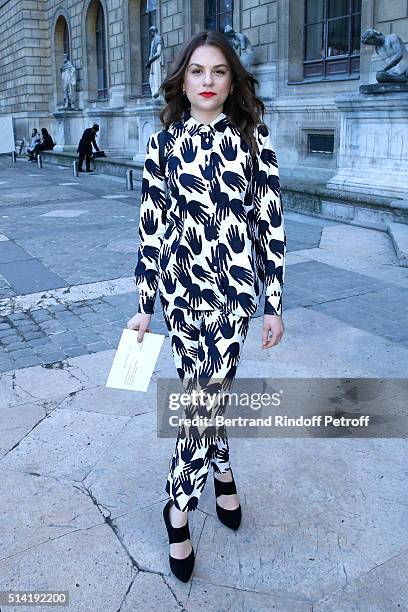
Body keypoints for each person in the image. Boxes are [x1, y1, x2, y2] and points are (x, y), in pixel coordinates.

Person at [127, 30, 286, 583]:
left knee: (202, 403)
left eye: (219, 71)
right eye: (198, 71)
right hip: (180, 295)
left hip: (233, 297)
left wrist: (274, 303)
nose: (208, 82)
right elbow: (153, 229)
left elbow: (270, 223)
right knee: (204, 401)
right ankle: (216, 475)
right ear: (182, 79)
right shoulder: (161, 144)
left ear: (232, 79)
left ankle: (176, 507)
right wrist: (145, 305)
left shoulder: (252, 138)